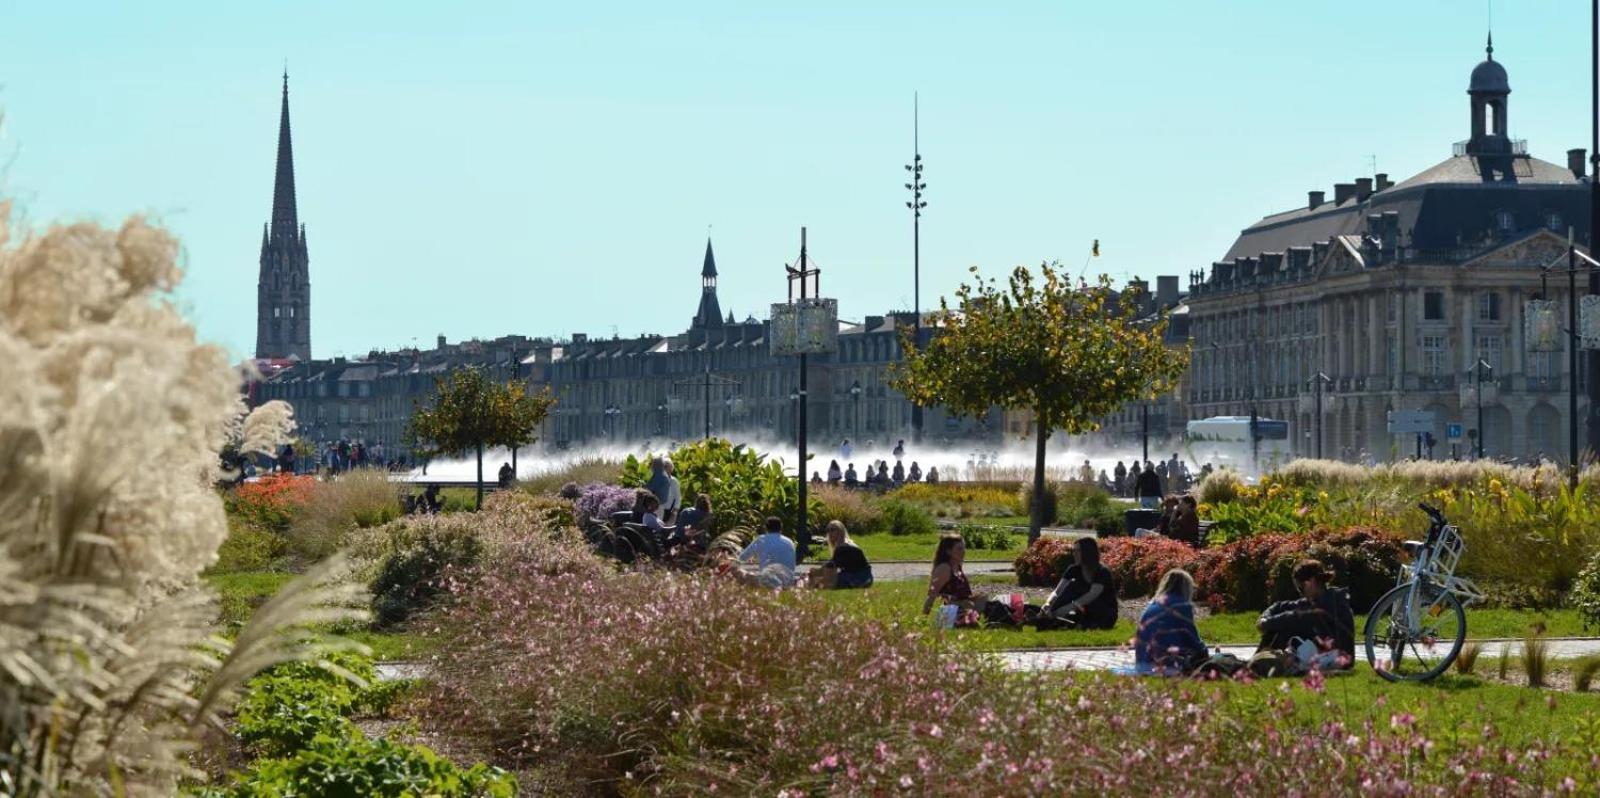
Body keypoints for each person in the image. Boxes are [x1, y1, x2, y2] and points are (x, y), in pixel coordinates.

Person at [1256, 559, 1356, 665]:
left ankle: (1257, 662)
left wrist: (1266, 623)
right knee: (1279, 627)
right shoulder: (1317, 599)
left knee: (1284, 626)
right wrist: (1264, 618)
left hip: (1335, 658)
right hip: (1324, 654)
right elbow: (1279, 606)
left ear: (1311, 582)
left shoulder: (1332, 601)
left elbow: (1294, 617)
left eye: (1300, 587)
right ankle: (1258, 661)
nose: (1300, 592)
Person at [1134, 569, 1208, 674]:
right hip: (1165, 663)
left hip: (1142, 663)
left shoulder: (1153, 604)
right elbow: (1192, 637)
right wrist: (1204, 652)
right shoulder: (1182, 605)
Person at [1035, 537, 1118, 630]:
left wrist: (1066, 609)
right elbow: (1057, 591)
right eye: (1074, 551)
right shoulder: (1073, 569)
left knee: (1074, 588)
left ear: (1088, 552)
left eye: (1078, 551)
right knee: (1069, 588)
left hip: (1102, 611)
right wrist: (1048, 604)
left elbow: (1092, 595)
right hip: (1080, 608)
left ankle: (1053, 618)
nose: (1074, 554)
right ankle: (1046, 616)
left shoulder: (1102, 571)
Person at [922, 535, 986, 615]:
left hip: (966, 607)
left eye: (964, 548)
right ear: (948, 551)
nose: (963, 551)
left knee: (988, 602)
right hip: (951, 612)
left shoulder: (957, 566)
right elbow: (932, 595)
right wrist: (923, 619)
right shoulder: (944, 568)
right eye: (959, 549)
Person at [728, 516, 797, 588]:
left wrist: (729, 560)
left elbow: (742, 558)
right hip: (788, 582)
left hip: (768, 581)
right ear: (781, 528)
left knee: (736, 570)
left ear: (766, 528)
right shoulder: (789, 541)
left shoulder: (761, 539)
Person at [809, 520, 874, 589]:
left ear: (840, 531)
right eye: (828, 530)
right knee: (824, 579)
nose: (829, 533)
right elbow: (832, 564)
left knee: (824, 581)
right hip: (864, 578)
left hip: (860, 578)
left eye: (833, 530)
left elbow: (831, 565)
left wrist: (815, 572)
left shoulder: (844, 547)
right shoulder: (843, 545)